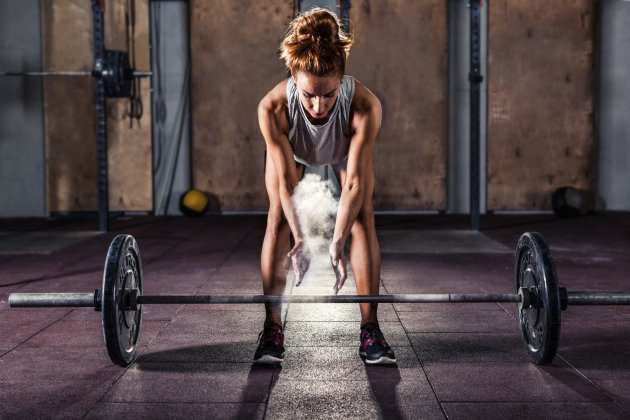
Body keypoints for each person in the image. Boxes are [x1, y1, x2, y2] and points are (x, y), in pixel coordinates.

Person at [255, 7, 396, 365]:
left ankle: (370, 330)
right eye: (309, 96)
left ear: (342, 80)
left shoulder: (364, 106)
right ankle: (272, 328)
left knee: (363, 217)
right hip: (295, 154)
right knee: (279, 217)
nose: (318, 106)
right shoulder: (273, 108)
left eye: (329, 95)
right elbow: (288, 184)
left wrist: (337, 243)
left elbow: (354, 185)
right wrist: (302, 240)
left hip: (344, 149)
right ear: (293, 76)